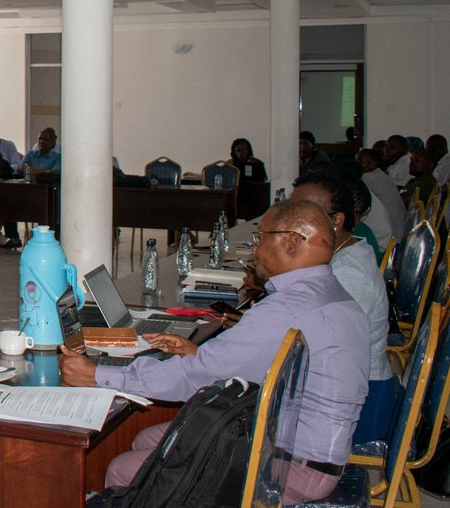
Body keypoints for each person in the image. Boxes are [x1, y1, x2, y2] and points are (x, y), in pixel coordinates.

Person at [59, 199, 368, 504]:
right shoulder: (335, 294)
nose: (255, 250)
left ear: (291, 242)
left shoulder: (287, 309)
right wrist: (199, 355)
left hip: (291, 467)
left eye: (261, 238)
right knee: (146, 439)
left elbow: (192, 379)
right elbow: (247, 365)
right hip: (306, 449)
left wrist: (95, 374)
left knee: (124, 470)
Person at [292, 171, 396, 444]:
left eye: (305, 214)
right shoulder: (342, 254)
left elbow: (317, 350)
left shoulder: (349, 273)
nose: (292, 223)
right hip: (343, 390)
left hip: (356, 404)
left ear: (336, 221)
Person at [357, 148, 405, 246]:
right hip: (399, 230)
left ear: (373, 164)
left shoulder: (367, 178)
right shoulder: (380, 175)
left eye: (361, 162)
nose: (357, 164)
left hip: (393, 238)